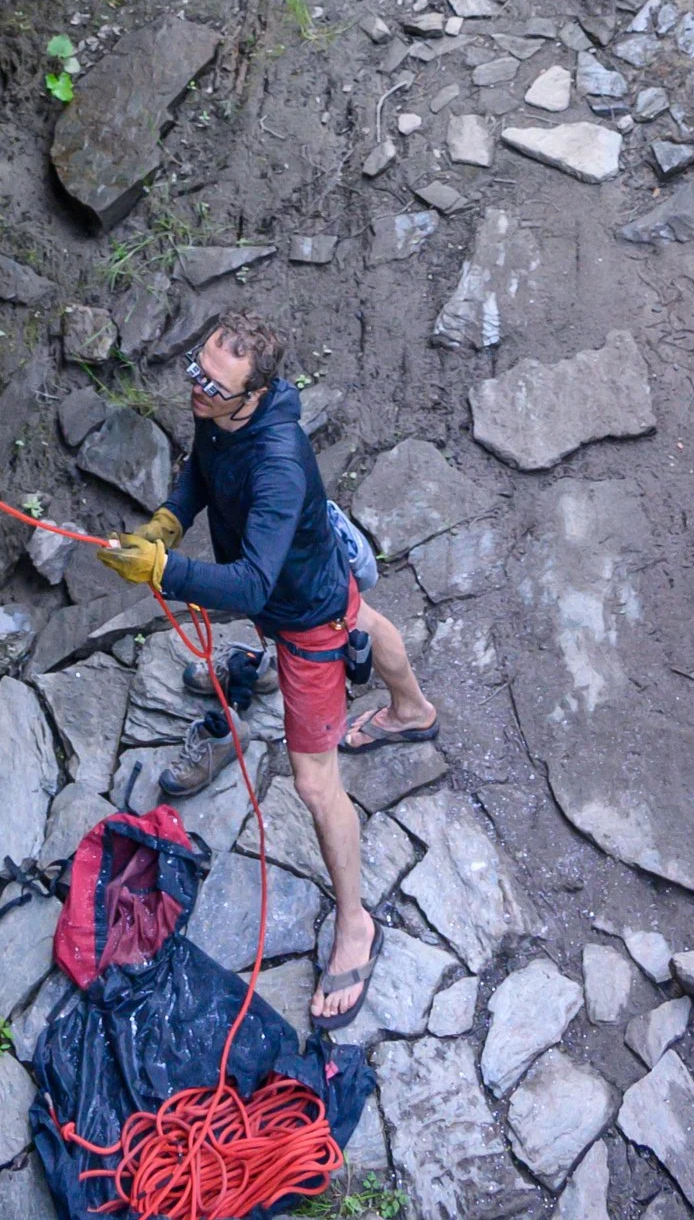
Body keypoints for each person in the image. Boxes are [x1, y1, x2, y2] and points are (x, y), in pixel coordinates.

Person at [96, 312, 434, 1029]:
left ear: (253, 394)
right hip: (307, 581)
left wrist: (164, 568)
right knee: (361, 615)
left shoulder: (278, 462)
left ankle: (356, 924)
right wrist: (169, 518)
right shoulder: (220, 412)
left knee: (315, 783)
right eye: (196, 368)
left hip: (305, 616)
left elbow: (250, 586)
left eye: (213, 384)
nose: (197, 388)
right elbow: (204, 468)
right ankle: (411, 711)